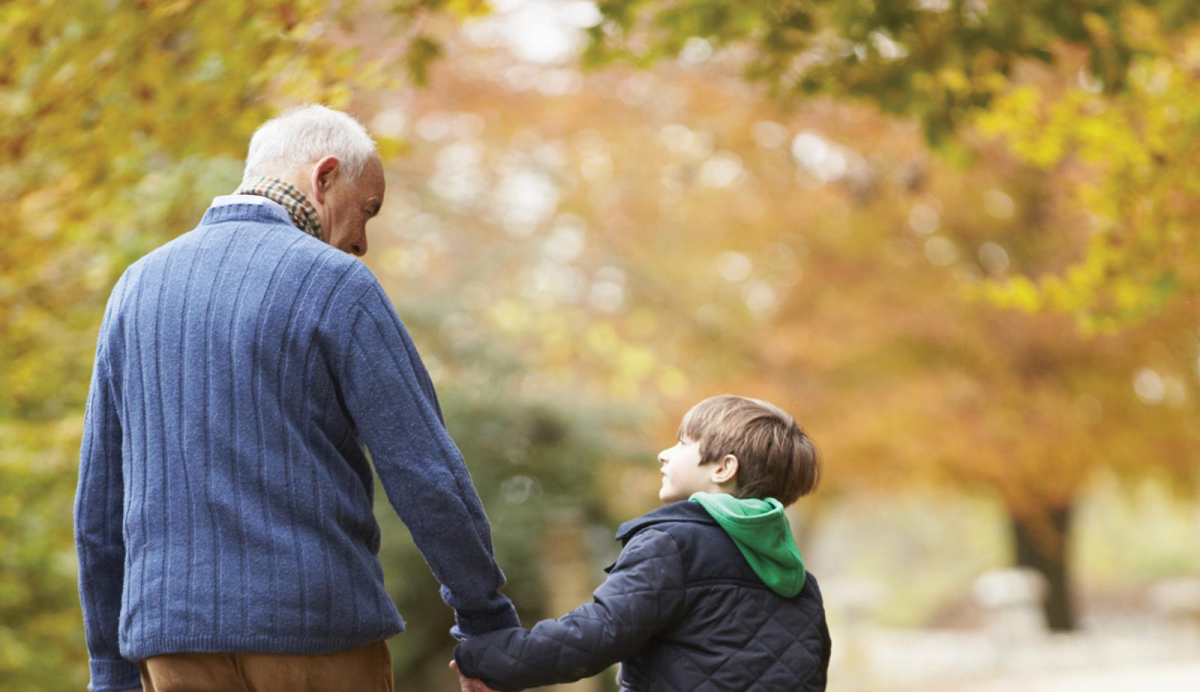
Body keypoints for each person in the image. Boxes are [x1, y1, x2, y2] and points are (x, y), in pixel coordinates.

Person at [74, 104, 518, 692]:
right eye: (367, 210)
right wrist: (485, 620)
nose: (361, 242)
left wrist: (110, 673)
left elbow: (99, 509)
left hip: (171, 648)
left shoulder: (135, 288)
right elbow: (424, 471)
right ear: (325, 176)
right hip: (315, 635)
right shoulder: (337, 284)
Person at [451, 394, 831, 692]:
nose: (664, 454)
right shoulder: (799, 580)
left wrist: (485, 657)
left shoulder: (674, 545)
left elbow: (597, 635)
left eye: (682, 443)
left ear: (723, 468)